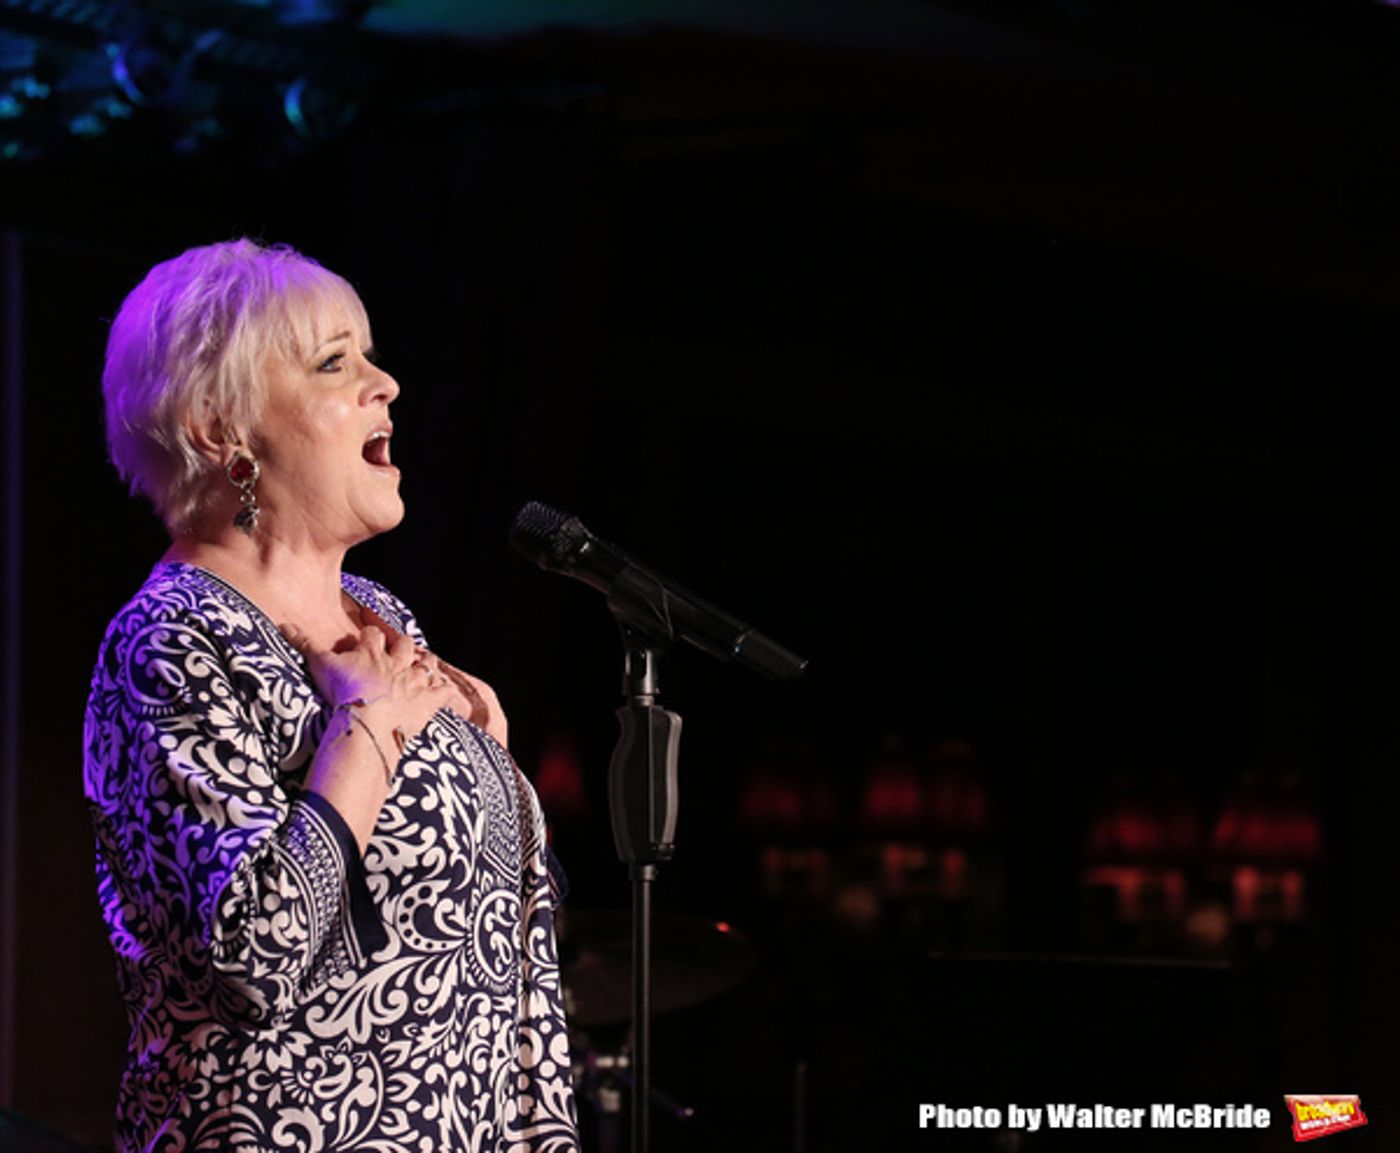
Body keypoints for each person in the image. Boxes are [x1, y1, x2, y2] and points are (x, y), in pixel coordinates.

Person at [82, 239, 580, 1153]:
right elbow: (251, 955)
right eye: (332, 363)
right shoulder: (171, 638)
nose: (384, 383)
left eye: (370, 355)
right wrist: (367, 730)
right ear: (218, 430)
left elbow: (502, 963)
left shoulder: (384, 618)